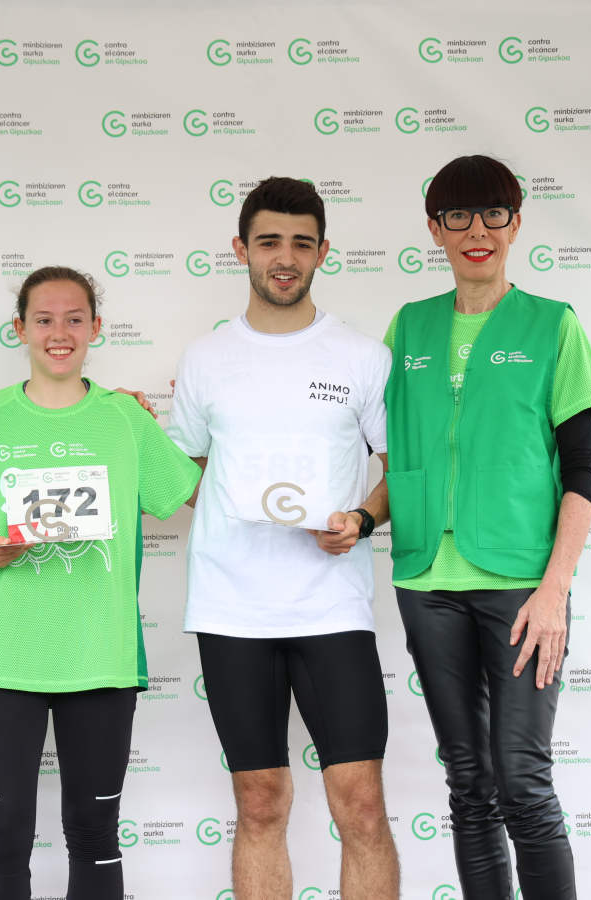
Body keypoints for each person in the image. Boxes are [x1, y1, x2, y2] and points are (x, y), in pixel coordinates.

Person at [383, 155, 591, 899]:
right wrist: (358, 516)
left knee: (521, 780)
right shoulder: (408, 326)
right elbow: (380, 448)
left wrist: (554, 592)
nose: (476, 231)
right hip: (426, 581)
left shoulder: (553, 324)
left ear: (516, 224)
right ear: (434, 229)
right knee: (469, 781)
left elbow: (582, 471)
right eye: (457, 216)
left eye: (493, 214)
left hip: (522, 586)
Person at [0, 266, 201, 900]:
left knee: (95, 836)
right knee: (1, 844)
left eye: (75, 318)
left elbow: (190, 494)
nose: (60, 332)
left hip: (100, 657)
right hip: (4, 659)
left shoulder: (123, 419)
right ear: (20, 328)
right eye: (45, 319)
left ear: (96, 328)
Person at [168, 177, 399, 900]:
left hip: (330, 605)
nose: (285, 256)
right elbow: (184, 472)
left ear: (323, 252)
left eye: (302, 242)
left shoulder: (363, 358)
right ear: (241, 249)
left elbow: (399, 472)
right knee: (261, 801)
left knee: (359, 804)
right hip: (233, 609)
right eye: (269, 241)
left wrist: (361, 519)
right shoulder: (205, 358)